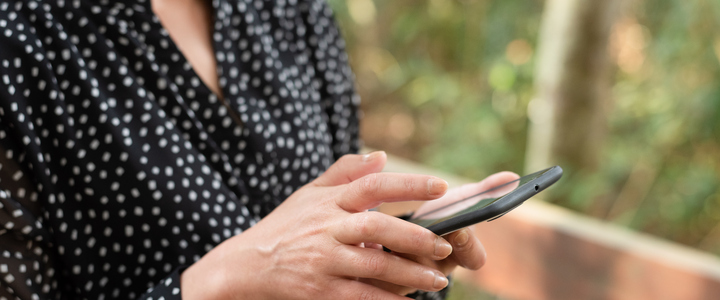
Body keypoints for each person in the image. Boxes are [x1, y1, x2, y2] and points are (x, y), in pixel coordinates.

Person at [0, 0, 518, 299]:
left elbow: (334, 231)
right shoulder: (19, 39)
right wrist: (224, 281)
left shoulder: (292, 10)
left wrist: (386, 258)